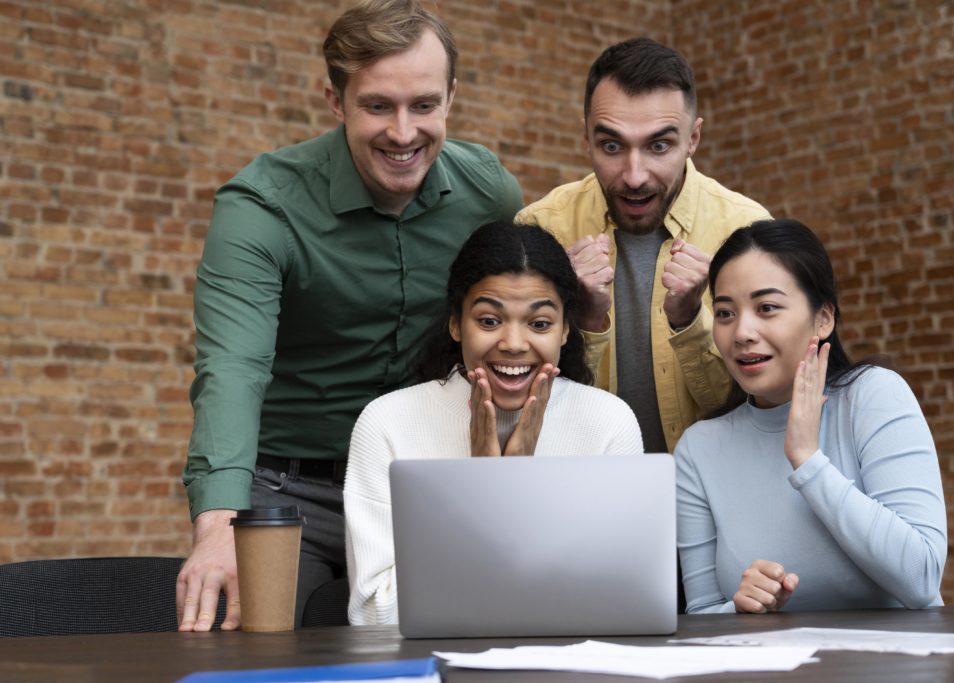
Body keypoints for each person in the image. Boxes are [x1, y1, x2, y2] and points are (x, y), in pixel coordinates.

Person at [177, 0, 522, 632]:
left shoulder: (489, 194)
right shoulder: (261, 207)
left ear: (450, 99)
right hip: (287, 488)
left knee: (466, 641)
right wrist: (221, 523)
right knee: (248, 642)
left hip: (422, 480)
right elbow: (233, 368)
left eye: (423, 105)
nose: (402, 131)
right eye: (376, 106)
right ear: (336, 101)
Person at [344, 221, 644, 625]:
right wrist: (485, 487)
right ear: (456, 324)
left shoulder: (607, 422)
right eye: (489, 321)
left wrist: (514, 481)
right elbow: (374, 612)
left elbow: (621, 601)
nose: (514, 343)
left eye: (539, 324)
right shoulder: (388, 423)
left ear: (565, 330)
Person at [675, 219, 948, 614]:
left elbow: (921, 578)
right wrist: (739, 607)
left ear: (823, 319)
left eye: (767, 308)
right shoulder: (699, 449)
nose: (742, 332)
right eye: (724, 313)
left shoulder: (872, 396)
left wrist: (808, 458)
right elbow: (702, 613)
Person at [517, 37, 771, 455]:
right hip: (582, 493)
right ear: (586, 138)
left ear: (693, 138)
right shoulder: (541, 228)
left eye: (659, 146)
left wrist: (691, 322)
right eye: (612, 146)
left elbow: (757, 404)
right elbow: (523, 400)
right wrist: (584, 322)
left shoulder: (746, 231)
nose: (634, 176)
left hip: (708, 501)